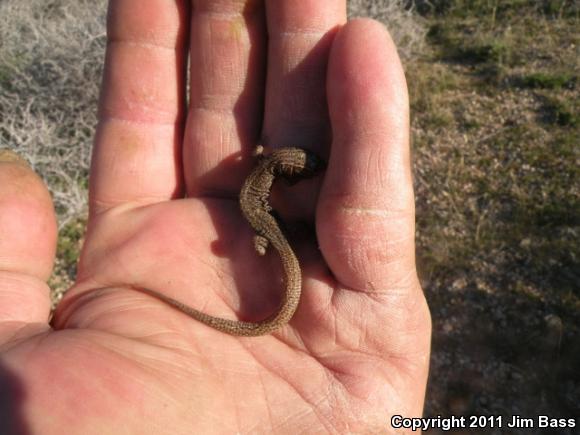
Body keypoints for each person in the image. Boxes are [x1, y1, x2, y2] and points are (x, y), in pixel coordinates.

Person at [0, 1, 430, 433]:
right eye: (305, 169)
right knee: (281, 237)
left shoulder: (266, 162)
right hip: (264, 225)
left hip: (263, 224)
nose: (307, 170)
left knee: (276, 237)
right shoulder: (273, 172)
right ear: (288, 169)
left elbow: (268, 167)